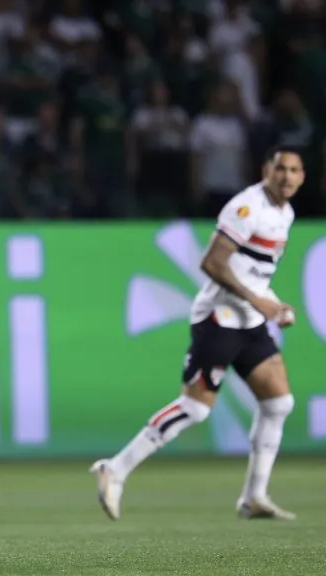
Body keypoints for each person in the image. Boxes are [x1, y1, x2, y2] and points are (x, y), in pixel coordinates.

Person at [90, 146, 303, 521]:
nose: (287, 177)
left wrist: (273, 303)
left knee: (278, 403)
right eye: (280, 169)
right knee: (195, 409)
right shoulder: (246, 207)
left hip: (250, 321)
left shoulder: (285, 213)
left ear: (302, 177)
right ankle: (115, 469)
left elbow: (253, 270)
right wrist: (259, 300)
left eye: (294, 170)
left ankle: (254, 497)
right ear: (265, 170)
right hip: (219, 318)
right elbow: (212, 263)